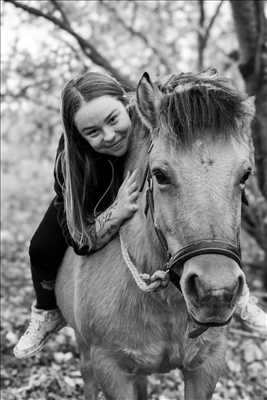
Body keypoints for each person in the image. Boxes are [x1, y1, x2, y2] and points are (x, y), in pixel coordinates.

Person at [14, 71, 267, 359]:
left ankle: (238, 292)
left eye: (112, 119)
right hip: (91, 196)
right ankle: (45, 311)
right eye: (92, 132)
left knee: (218, 207)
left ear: (127, 104)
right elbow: (80, 241)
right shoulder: (72, 163)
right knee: (40, 247)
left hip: (136, 186)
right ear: (77, 134)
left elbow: (176, 92)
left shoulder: (150, 116)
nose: (108, 136)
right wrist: (114, 211)